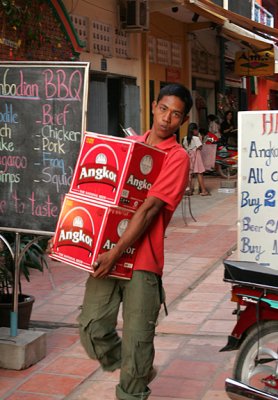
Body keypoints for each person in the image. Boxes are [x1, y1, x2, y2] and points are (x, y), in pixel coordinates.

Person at [75, 83, 193, 400]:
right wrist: (67, 240)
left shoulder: (177, 157)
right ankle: (133, 364)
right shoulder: (129, 145)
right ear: (154, 106)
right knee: (92, 328)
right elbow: (99, 196)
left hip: (143, 261)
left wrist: (115, 254)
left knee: (138, 342)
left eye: (176, 114)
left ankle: (135, 376)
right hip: (110, 254)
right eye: (164, 108)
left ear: (182, 121)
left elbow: (150, 208)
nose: (167, 118)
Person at [182, 122, 210, 196]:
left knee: (189, 174)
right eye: (197, 130)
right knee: (199, 173)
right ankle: (203, 190)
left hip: (189, 156)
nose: (198, 132)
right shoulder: (196, 138)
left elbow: (185, 147)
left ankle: (189, 190)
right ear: (194, 130)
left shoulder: (185, 138)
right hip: (197, 156)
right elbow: (200, 147)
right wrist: (200, 139)